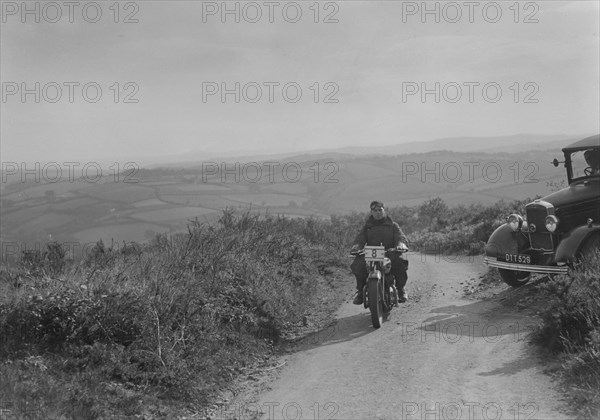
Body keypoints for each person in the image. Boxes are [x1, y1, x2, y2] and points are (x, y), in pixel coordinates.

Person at [350, 200, 409, 305]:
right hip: (372, 253)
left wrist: (400, 245)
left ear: (384, 210)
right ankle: (360, 292)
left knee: (400, 261)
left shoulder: (393, 225)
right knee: (358, 264)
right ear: (371, 212)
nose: (378, 212)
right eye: (375, 210)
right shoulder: (367, 227)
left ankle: (401, 290)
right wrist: (356, 247)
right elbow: (360, 239)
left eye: (380, 210)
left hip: (390, 252)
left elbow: (400, 236)